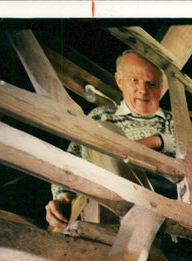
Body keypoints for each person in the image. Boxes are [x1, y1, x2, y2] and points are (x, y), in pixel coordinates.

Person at [45, 49, 183, 229]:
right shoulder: (101, 117)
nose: (142, 90)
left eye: (151, 83)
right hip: (96, 206)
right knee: (102, 131)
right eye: (134, 80)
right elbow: (70, 159)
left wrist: (154, 141)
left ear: (161, 87)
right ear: (119, 81)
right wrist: (62, 197)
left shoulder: (175, 123)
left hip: (155, 202)